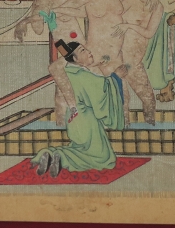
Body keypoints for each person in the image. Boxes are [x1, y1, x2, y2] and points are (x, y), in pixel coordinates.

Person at [31, 40, 127, 178]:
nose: (89, 52)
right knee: (102, 158)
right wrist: (116, 77)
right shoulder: (82, 75)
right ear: (75, 59)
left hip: (73, 119)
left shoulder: (68, 73)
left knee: (79, 148)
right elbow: (103, 90)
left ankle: (52, 154)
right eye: (83, 51)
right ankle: (62, 157)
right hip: (87, 121)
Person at [13, 0, 84, 125]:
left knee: (58, 72)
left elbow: (84, 12)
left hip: (78, 44)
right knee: (60, 82)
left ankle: (73, 110)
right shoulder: (41, 2)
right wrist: (32, 17)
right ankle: (62, 121)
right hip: (62, 47)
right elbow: (38, 30)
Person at [111, 0, 163, 124]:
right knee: (122, 97)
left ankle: (150, 127)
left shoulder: (156, 5)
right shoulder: (128, 2)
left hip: (133, 58)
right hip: (117, 54)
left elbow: (149, 33)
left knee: (147, 97)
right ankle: (122, 130)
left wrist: (129, 26)